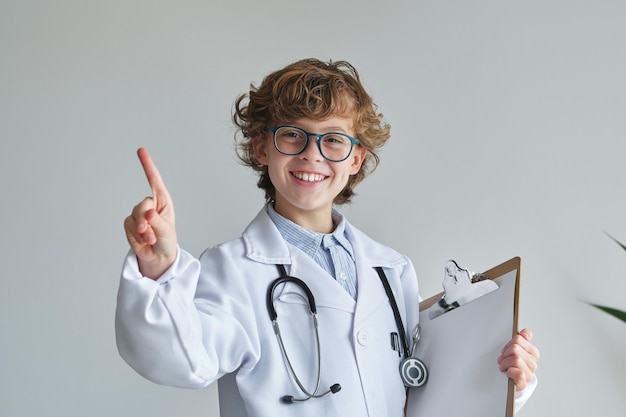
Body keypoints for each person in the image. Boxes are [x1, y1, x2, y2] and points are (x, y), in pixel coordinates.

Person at [115, 58, 539, 417]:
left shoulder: (392, 270)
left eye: (332, 139)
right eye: (292, 135)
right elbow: (182, 359)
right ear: (262, 148)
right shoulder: (231, 269)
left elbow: (425, 393)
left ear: (356, 158)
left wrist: (503, 379)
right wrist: (159, 269)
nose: (311, 154)